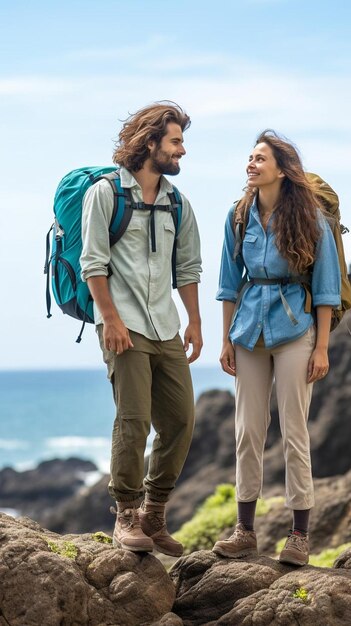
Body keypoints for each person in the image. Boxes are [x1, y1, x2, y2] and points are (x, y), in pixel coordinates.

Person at [213, 130, 340, 566]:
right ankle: (244, 530)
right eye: (249, 157)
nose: (251, 164)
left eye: (260, 158)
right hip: (248, 331)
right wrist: (226, 338)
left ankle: (299, 536)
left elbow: (325, 289)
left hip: (296, 331)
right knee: (247, 431)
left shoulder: (310, 218)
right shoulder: (237, 215)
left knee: (294, 432)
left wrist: (321, 348)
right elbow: (228, 284)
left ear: (282, 169)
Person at [80, 102, 202, 556]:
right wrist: (110, 320)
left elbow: (187, 268)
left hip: (166, 325)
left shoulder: (177, 202)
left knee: (182, 420)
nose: (181, 151)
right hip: (123, 325)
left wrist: (194, 322)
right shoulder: (106, 193)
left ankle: (154, 512)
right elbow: (92, 262)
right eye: (175, 142)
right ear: (150, 142)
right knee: (134, 422)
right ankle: (126, 514)